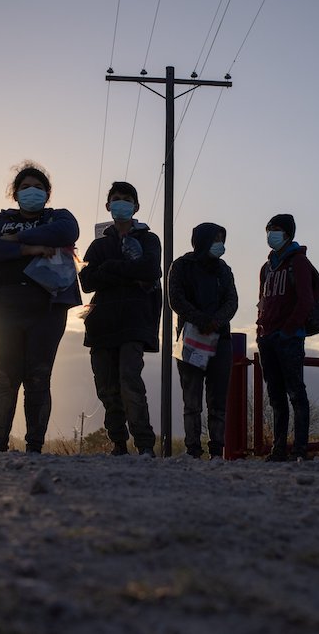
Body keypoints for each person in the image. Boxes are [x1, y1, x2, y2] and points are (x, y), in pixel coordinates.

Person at [0, 161, 81, 453]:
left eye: (38, 187)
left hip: (47, 310)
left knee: (38, 376)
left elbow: (68, 231)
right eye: (25, 187)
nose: (31, 192)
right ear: (15, 193)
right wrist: (29, 250)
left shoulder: (57, 217)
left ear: (47, 194)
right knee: (4, 378)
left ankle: (34, 447)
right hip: (4, 310)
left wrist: (18, 238)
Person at [78, 181, 161, 456]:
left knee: (130, 382)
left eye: (126, 199)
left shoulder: (149, 240)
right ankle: (118, 444)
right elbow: (87, 280)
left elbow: (150, 270)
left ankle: (145, 444)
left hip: (135, 322)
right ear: (108, 205)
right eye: (116, 198)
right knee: (107, 388)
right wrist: (127, 271)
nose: (121, 203)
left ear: (136, 206)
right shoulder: (98, 245)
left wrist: (111, 268)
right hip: (102, 324)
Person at [168, 223, 238, 459]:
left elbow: (232, 301)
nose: (220, 244)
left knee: (218, 399)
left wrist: (216, 322)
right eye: (215, 238)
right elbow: (175, 299)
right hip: (190, 340)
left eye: (222, 238)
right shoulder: (181, 266)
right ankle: (193, 450)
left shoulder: (224, 270)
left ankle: (217, 450)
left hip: (221, 341)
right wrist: (200, 320)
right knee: (192, 399)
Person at [257, 214, 314, 462]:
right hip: (267, 338)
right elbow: (263, 300)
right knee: (275, 396)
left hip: (289, 339)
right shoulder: (266, 267)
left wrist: (289, 329)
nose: (272, 234)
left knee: (296, 394)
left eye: (277, 230)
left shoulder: (299, 262)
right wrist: (261, 330)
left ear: (289, 233)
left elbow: (306, 300)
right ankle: (278, 449)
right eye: (269, 229)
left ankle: (300, 448)